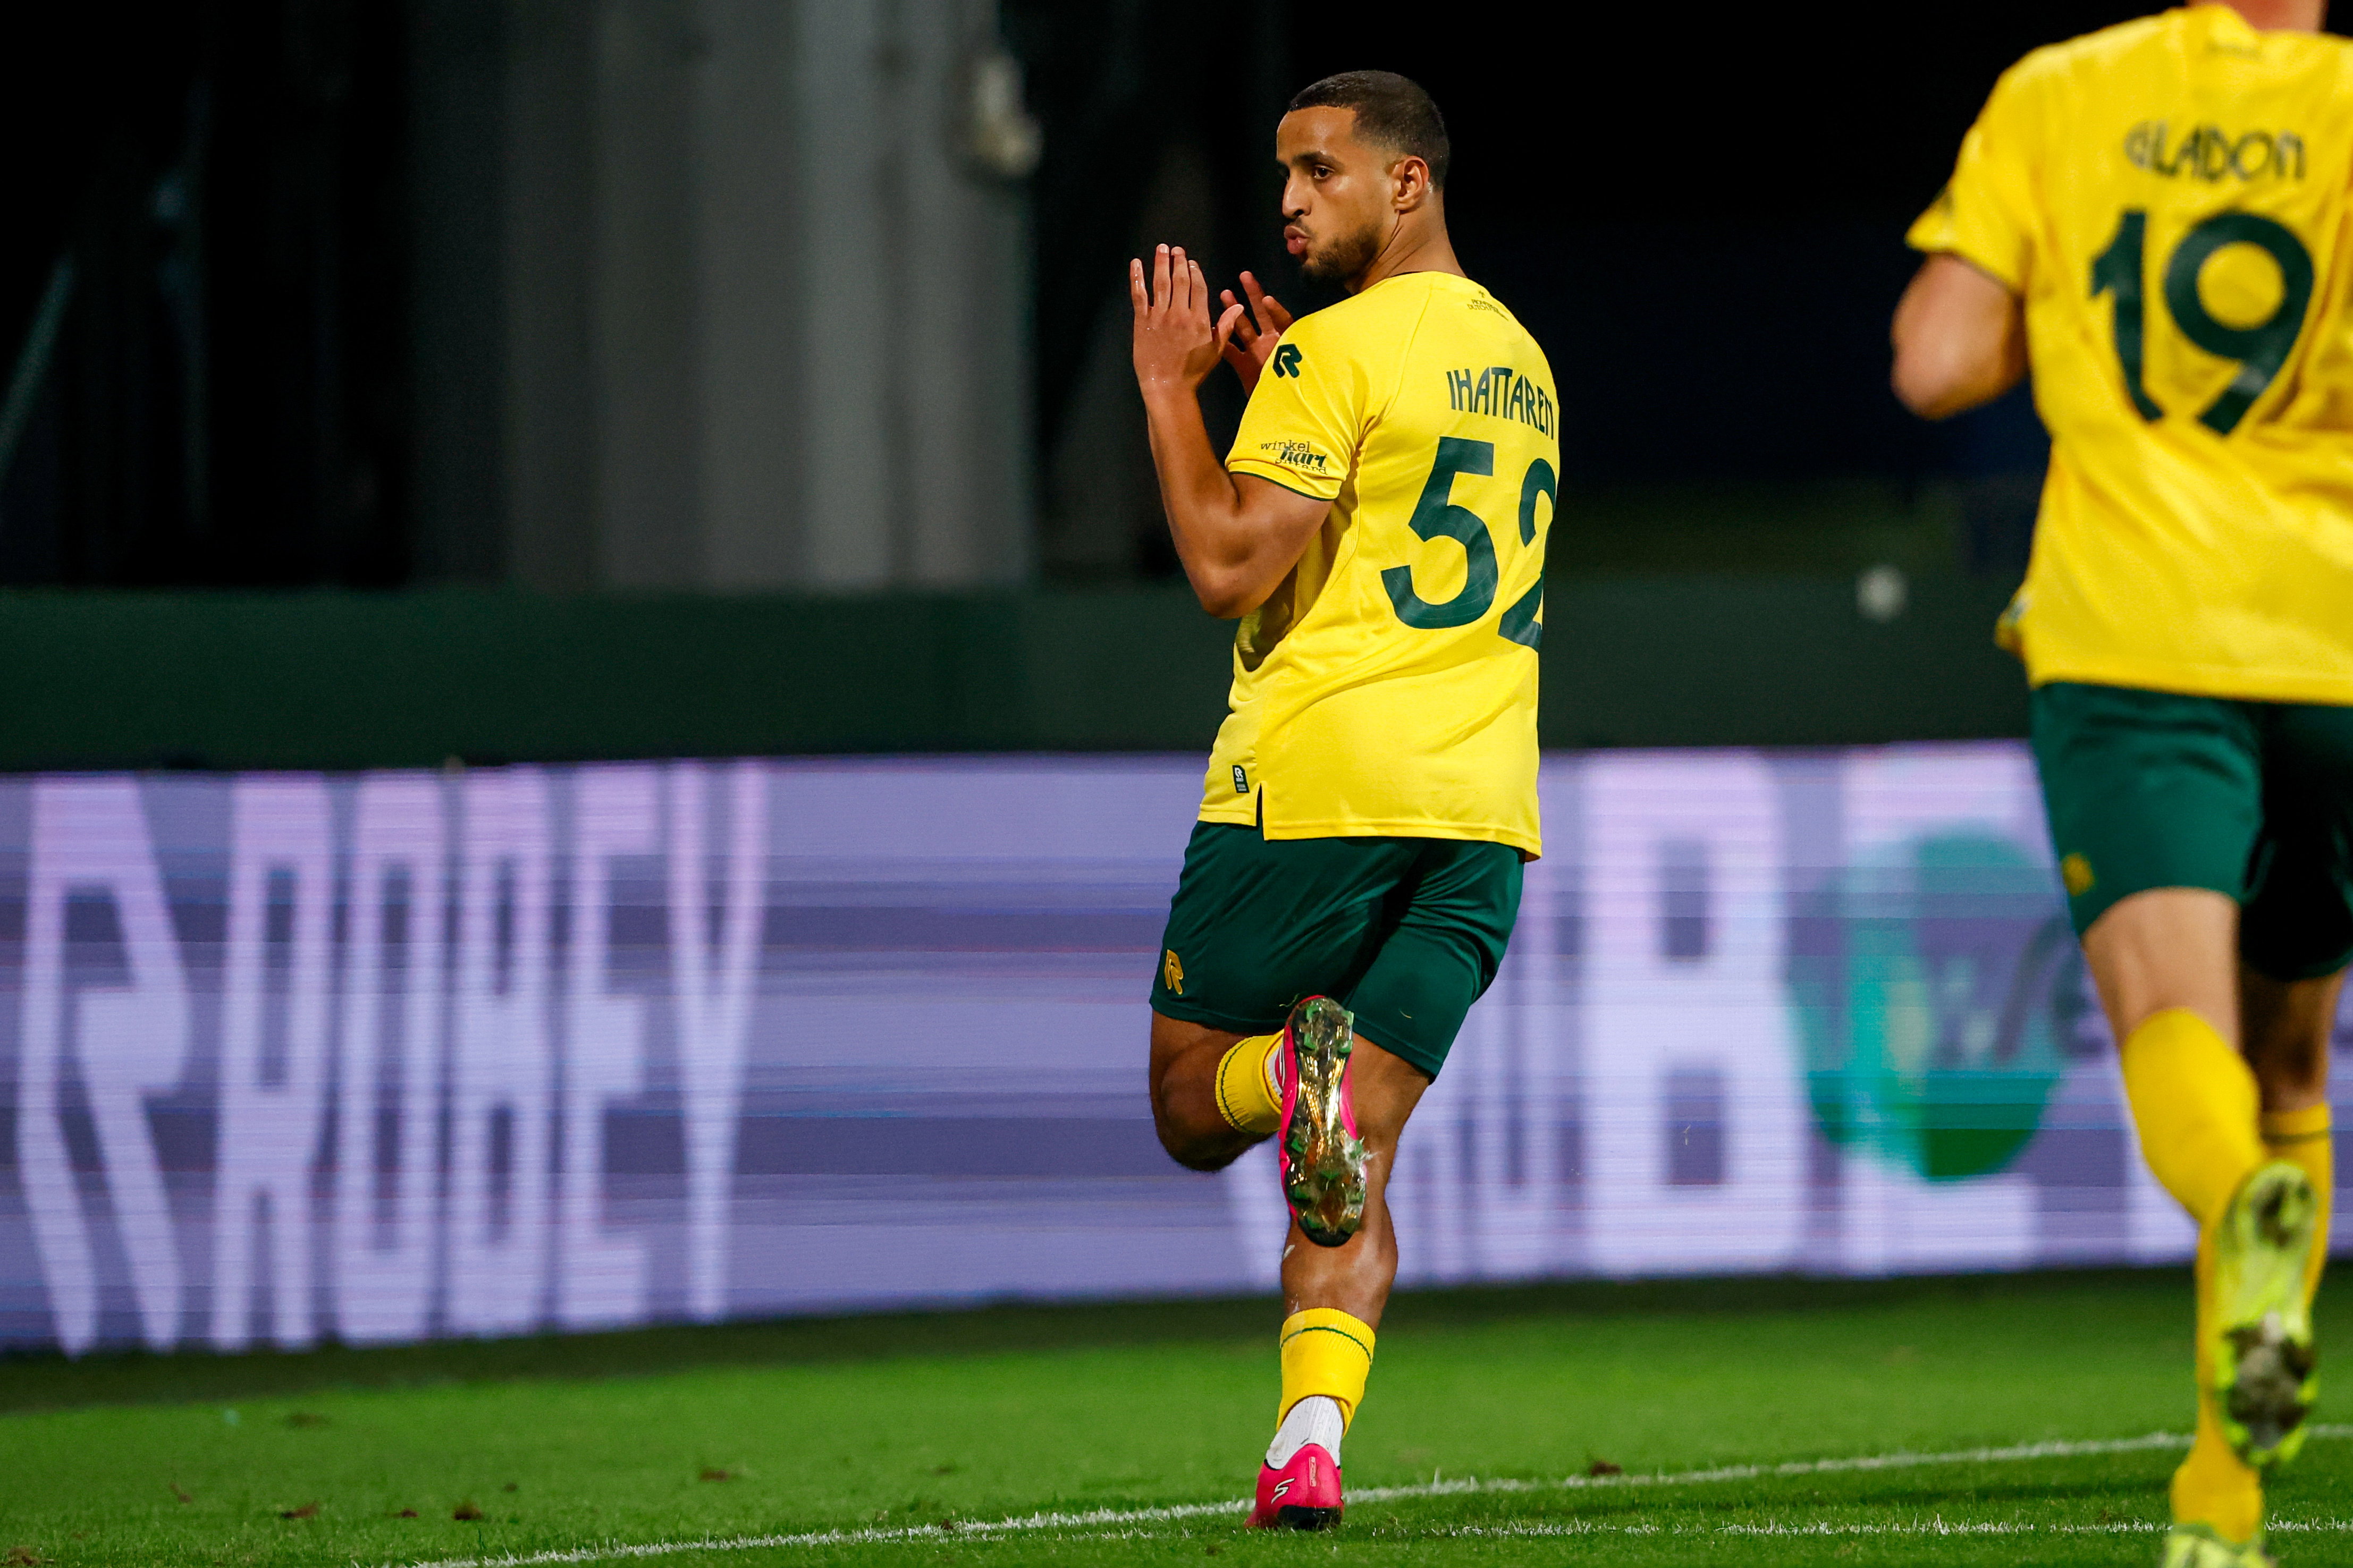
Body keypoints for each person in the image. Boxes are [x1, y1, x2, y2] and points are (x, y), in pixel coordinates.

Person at [1891, 4, 2348, 1563]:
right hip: (2338, 643)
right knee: (2293, 1068)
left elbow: (1937, 362)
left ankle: (2235, 1214)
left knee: (2176, 1030)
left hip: (2137, 634)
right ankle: (2220, 1499)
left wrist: (2056, 317)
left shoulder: (2066, 90)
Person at [1127, 69, 1556, 1530]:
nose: (1291, 201)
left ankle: (1277, 1073)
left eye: (1319, 172)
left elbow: (1227, 566)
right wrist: (1277, 395)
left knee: (1195, 1106)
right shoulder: (1517, 355)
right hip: (1479, 816)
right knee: (1347, 1160)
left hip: (1316, 788)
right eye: (1285, 174)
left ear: (1407, 183)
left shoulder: (1340, 354)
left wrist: (1169, 391)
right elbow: (1379, 512)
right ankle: (1307, 1439)